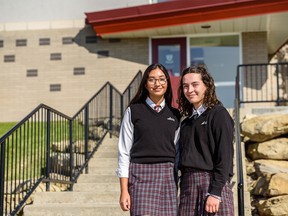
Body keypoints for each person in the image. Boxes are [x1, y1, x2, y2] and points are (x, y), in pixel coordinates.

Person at [116, 63, 181, 216]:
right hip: (140, 175)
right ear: (145, 84)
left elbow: (177, 152)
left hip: (168, 177)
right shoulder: (133, 111)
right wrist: (124, 191)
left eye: (161, 79)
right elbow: (124, 153)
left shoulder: (175, 114)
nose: (157, 84)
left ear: (167, 83)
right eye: (152, 80)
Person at [177, 65, 234, 215]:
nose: (190, 90)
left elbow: (225, 157)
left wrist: (215, 193)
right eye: (185, 86)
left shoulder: (219, 115)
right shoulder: (186, 123)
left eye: (195, 84)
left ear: (207, 86)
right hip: (188, 187)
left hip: (212, 184)